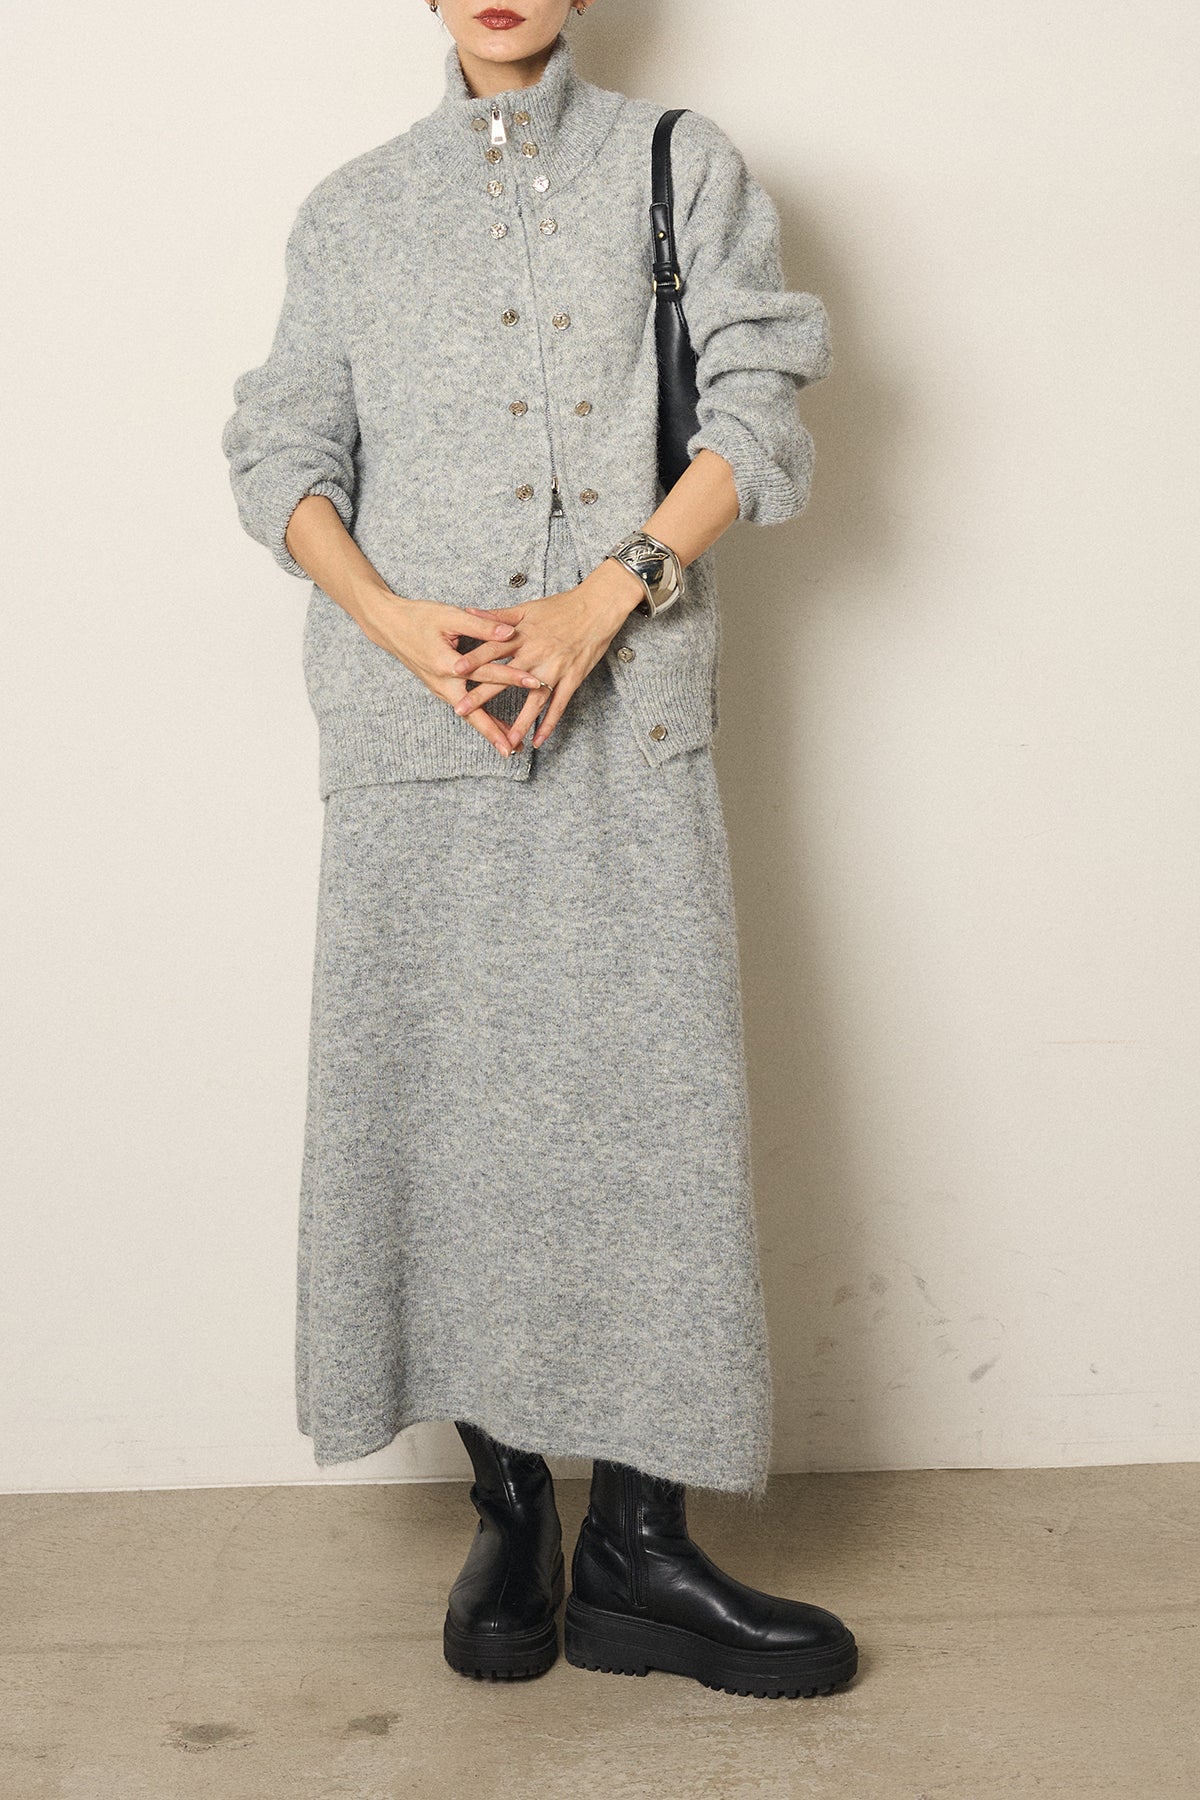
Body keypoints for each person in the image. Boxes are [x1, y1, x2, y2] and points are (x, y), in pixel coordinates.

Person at [221, 0, 856, 1700]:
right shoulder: (351, 209)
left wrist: (606, 598)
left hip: (626, 716)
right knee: (448, 1120)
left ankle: (640, 1545)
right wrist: (396, 627)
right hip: (417, 738)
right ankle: (509, 1514)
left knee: (648, 1115)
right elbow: (280, 453)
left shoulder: (678, 165)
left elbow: (757, 406)